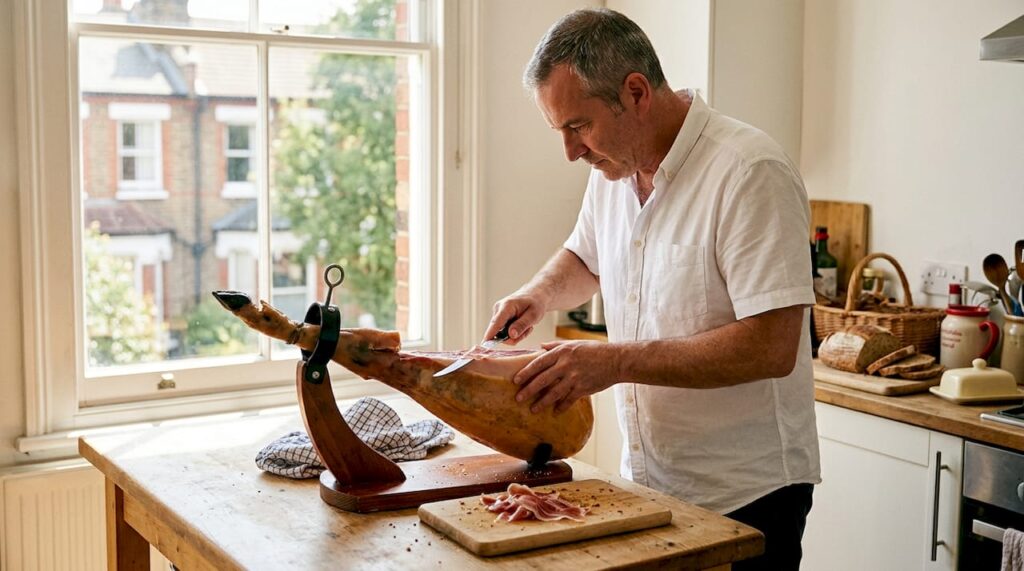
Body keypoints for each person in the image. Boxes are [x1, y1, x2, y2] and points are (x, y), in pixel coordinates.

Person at [482, 8, 820, 570]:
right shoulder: (613, 170)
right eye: (559, 130)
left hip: (748, 496)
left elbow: (773, 346)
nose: (570, 152)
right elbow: (584, 257)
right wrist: (537, 295)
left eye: (578, 126)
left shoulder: (748, 171)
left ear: (635, 92)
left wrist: (611, 362)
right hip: (651, 484)